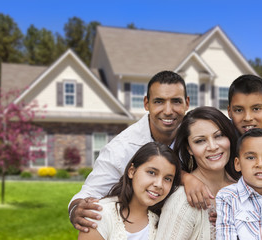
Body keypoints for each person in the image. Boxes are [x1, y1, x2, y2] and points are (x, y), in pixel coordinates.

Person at [69, 70, 212, 232]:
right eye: (159, 101)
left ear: (187, 103)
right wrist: (76, 209)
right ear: (146, 103)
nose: (168, 110)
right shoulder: (121, 148)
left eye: (176, 101)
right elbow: (90, 192)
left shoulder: (196, 134)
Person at [155, 106, 241, 240]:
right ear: (189, 148)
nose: (213, 147)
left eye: (219, 136)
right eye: (200, 141)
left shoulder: (244, 188)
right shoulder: (182, 200)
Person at [78, 142, 182, 240]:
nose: (159, 184)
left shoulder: (162, 221)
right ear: (131, 171)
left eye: (168, 179)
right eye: (151, 172)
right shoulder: (100, 214)